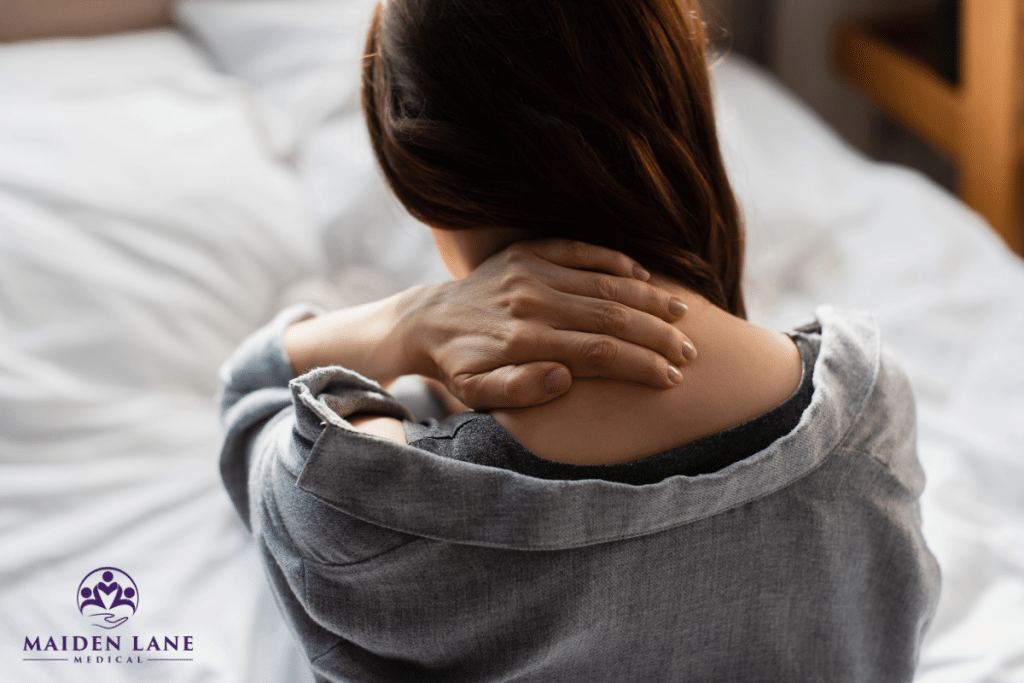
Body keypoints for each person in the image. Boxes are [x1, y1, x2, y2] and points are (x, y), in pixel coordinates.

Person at [218, 0, 940, 680]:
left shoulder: (350, 500)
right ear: (673, 96)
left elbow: (249, 396)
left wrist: (405, 323)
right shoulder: (870, 417)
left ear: (419, 166)